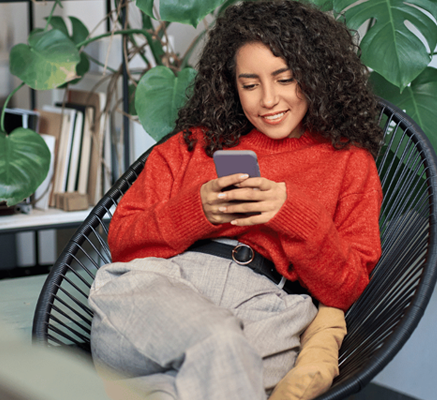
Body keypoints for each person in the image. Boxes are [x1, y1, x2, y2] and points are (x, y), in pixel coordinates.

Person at [88, 1, 384, 399]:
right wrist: (197, 211)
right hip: (161, 292)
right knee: (220, 343)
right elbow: (122, 241)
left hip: (267, 310)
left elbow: (346, 287)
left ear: (318, 76)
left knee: (193, 383)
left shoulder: (350, 164)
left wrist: (291, 215)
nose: (268, 100)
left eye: (285, 79)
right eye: (250, 84)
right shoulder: (190, 147)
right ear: (231, 85)